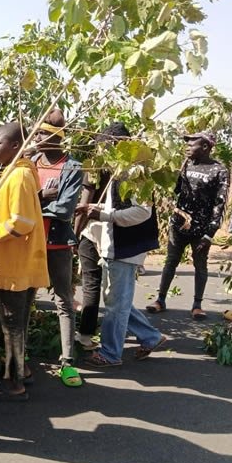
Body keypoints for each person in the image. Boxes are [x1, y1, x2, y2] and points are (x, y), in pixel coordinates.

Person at [77, 125, 166, 368]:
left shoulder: (133, 174)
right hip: (116, 246)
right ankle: (150, 336)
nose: (99, 150)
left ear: (119, 144)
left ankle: (110, 353)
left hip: (126, 248)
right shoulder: (118, 171)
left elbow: (142, 212)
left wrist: (104, 215)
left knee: (115, 303)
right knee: (116, 300)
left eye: (104, 145)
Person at [0, 122, 49, 400]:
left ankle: (14, 383)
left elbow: (21, 223)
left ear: (15, 146)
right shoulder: (14, 172)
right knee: (16, 322)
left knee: (12, 324)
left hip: (15, 265)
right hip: (19, 263)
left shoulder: (19, 177)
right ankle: (22, 371)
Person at [146, 132, 229, 319]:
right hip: (179, 224)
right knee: (170, 261)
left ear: (206, 147)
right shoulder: (185, 165)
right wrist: (171, 173)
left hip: (201, 229)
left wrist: (209, 234)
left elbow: (220, 203)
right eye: (188, 144)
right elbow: (175, 190)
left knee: (200, 265)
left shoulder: (219, 170)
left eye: (193, 144)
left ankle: (197, 305)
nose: (188, 147)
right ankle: (160, 300)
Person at [31, 110, 83, 387]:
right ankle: (21, 356)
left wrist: (33, 205)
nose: (36, 138)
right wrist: (41, 198)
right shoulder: (30, 163)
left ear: (55, 137)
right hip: (29, 242)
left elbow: (64, 209)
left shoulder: (72, 167)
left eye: (41, 134)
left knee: (63, 300)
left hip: (58, 243)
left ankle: (68, 362)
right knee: (26, 298)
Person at [74, 122, 129, 350]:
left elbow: (85, 204)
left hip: (96, 229)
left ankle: (86, 336)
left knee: (93, 284)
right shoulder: (132, 167)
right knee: (116, 291)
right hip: (121, 231)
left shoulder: (96, 166)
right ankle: (120, 333)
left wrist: (74, 235)